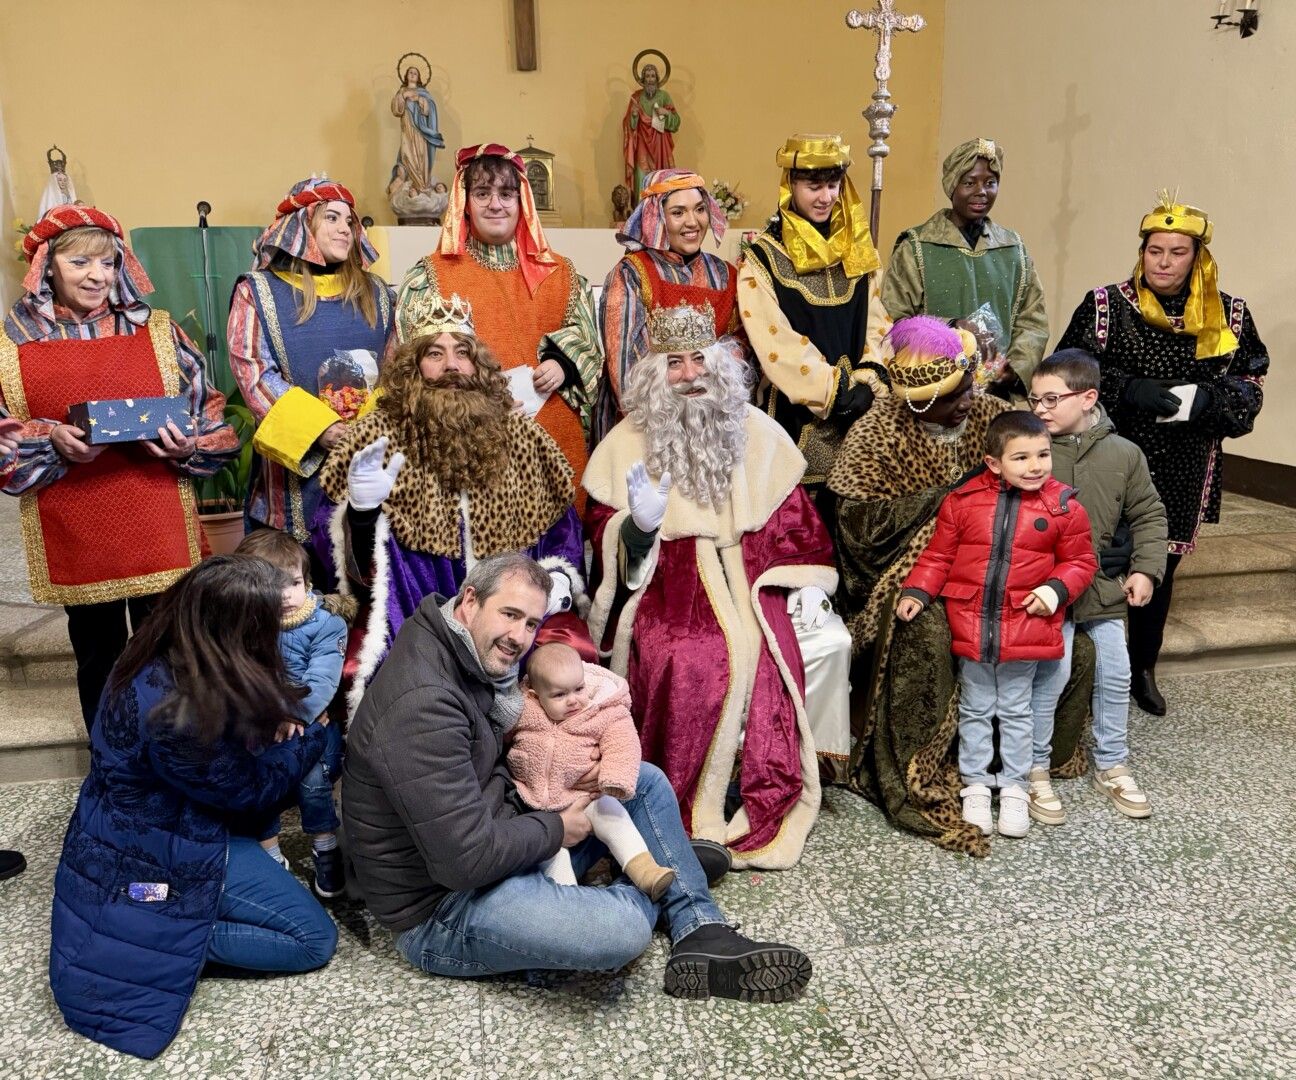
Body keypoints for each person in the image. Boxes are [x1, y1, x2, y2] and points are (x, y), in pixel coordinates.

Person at [343, 552, 812, 1002]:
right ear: (469, 601)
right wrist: (556, 828)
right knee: (620, 931)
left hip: (499, 836)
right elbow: (463, 862)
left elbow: (489, 768)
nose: (519, 636)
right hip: (444, 907)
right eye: (509, 614)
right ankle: (659, 869)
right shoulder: (423, 703)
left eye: (531, 623)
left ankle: (698, 925)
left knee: (639, 779)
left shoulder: (460, 652)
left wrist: (563, 773)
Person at [584, 302, 849, 869]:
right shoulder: (627, 441)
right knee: (687, 655)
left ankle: (742, 797)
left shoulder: (758, 432)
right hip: (663, 574)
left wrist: (801, 587)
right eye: (673, 363)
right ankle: (683, 809)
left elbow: (794, 524)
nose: (688, 375)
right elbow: (601, 537)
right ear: (655, 374)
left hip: (751, 576)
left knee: (781, 647)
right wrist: (640, 525)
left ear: (719, 362)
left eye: (698, 359)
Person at [826, 316, 1096, 856]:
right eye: (955, 396)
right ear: (921, 402)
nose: (971, 400)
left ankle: (1023, 773)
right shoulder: (875, 437)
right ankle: (938, 767)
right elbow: (860, 539)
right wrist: (946, 504)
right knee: (927, 639)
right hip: (902, 576)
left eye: (971, 385)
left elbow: (1051, 493)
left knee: (1077, 649)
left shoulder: (994, 416)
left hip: (1009, 574)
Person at [49, 556, 337, 1060]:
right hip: (158, 852)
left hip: (143, 828)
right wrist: (313, 736)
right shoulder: (174, 714)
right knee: (312, 941)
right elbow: (249, 790)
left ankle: (158, 919)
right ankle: (166, 931)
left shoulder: (150, 652)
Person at [1, 206, 238, 733]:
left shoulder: (158, 331)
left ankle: (173, 761)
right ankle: (112, 766)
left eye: (107, 263)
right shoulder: (10, 343)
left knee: (170, 652)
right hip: (77, 525)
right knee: (98, 655)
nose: (96, 276)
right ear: (47, 266)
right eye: (79, 261)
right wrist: (52, 438)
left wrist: (187, 444)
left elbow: (209, 411)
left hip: (155, 516)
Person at [312, 292, 588, 712]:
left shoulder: (524, 436)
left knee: (567, 656)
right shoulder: (372, 437)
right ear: (413, 368)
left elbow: (561, 533)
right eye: (434, 354)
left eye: (462, 352)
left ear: (477, 364)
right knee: (378, 673)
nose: (451, 366)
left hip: (515, 615)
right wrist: (362, 515)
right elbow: (328, 553)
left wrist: (548, 592)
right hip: (415, 613)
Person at [1056, 192, 1268, 716]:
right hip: (1108, 453)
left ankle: (1141, 667)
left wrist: (1207, 401)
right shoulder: (1106, 306)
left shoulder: (1229, 316)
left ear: (1197, 257)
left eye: (1177, 252)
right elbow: (1067, 367)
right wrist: (1127, 388)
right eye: (1155, 251)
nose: (1165, 262)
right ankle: (1075, 666)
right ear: (1142, 252)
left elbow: (1251, 380)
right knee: (1092, 552)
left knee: (1160, 562)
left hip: (1183, 458)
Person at [896, 411, 1097, 839]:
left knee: (1017, 711)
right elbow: (938, 557)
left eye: (1043, 454)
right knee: (976, 707)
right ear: (993, 463)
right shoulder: (964, 502)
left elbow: (1081, 562)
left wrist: (1056, 590)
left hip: (1025, 624)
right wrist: (917, 592)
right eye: (1021, 457)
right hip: (972, 623)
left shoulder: (1063, 507)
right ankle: (975, 785)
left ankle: (1014, 786)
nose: (1036, 466)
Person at [396, 144, 603, 494]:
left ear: (522, 201)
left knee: (557, 546)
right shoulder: (429, 276)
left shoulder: (562, 272)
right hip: (470, 448)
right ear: (464, 202)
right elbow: (414, 374)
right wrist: (478, 404)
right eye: (482, 193)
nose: (495, 204)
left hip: (553, 448)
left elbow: (590, 344)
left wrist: (564, 364)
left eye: (506, 193)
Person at [1026, 350, 1167, 822]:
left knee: (1116, 672)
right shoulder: (1033, 453)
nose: (1040, 409)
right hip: (1047, 593)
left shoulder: (1124, 454)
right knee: (1053, 673)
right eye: (1034, 399)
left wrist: (1146, 569)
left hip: (1102, 593)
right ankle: (1035, 767)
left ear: (1088, 398)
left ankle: (1113, 763)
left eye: (1051, 399)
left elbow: (1148, 514)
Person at [229, 177, 396, 546]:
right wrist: (322, 430)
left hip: (370, 459)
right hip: (293, 480)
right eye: (332, 218)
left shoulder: (379, 294)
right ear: (301, 227)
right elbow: (254, 371)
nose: (345, 230)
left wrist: (366, 431)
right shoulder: (257, 291)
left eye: (349, 222)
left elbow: (397, 371)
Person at [738, 135, 892, 491]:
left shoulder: (857, 251)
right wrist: (832, 391)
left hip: (862, 414)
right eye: (814, 186)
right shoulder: (762, 257)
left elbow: (876, 319)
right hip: (794, 417)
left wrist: (870, 376)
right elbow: (773, 337)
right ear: (790, 185)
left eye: (833, 185)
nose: (826, 197)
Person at [881, 138, 1048, 397]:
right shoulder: (916, 246)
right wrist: (950, 326)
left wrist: (1012, 370)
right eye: (969, 182)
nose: (981, 192)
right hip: (934, 394)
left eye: (990, 183)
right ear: (952, 186)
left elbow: (1033, 321)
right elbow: (893, 320)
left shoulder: (1013, 248)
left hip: (995, 395)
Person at [235, 528, 353, 895]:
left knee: (313, 780)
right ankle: (270, 856)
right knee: (252, 775)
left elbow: (321, 680)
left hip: (311, 725)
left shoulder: (325, 624)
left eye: (294, 582)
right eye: (271, 586)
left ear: (308, 580)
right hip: (261, 724)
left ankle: (325, 847)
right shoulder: (245, 625)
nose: (286, 595)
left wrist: (293, 714)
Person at [510, 642, 675, 900]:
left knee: (611, 813)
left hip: (582, 795)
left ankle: (645, 870)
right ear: (534, 696)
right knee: (552, 856)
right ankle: (570, 903)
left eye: (578, 688)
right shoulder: (523, 711)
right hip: (535, 806)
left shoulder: (600, 711)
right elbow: (502, 737)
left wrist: (614, 778)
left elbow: (622, 742)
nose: (574, 700)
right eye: (559, 695)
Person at [595, 168, 747, 444]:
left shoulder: (726, 275)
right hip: (648, 427)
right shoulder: (632, 274)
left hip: (713, 426)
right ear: (658, 218)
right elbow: (625, 367)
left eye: (700, 209)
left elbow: (739, 349)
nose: (693, 222)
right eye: (678, 213)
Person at [622, 62, 680, 203]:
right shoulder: (636, 97)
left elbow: (676, 123)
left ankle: (664, 208)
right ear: (642, 79)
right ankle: (643, 210)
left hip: (660, 145)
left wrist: (666, 112)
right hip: (642, 144)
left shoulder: (664, 97)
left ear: (657, 78)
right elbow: (630, 127)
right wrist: (634, 115)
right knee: (642, 178)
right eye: (647, 76)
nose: (650, 79)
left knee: (662, 178)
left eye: (652, 76)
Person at [390, 64, 445, 196]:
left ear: (419, 77)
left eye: (415, 72)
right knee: (406, 154)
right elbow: (396, 110)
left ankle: (422, 185)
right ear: (406, 76)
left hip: (420, 131)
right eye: (410, 72)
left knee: (421, 155)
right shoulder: (402, 91)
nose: (413, 74)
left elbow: (430, 111)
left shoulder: (424, 94)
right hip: (407, 129)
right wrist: (403, 96)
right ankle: (411, 183)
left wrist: (420, 100)